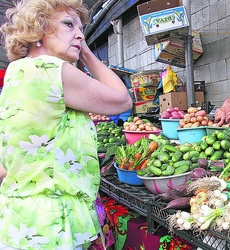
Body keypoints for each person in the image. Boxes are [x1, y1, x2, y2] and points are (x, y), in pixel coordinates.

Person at [0, 0, 132, 249]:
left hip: (25, 222)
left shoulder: (18, 73)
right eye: (69, 24)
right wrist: (87, 53)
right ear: (38, 29)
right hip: (51, 226)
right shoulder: (48, 68)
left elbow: (5, 165)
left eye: (81, 29)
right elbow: (122, 100)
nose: (80, 34)